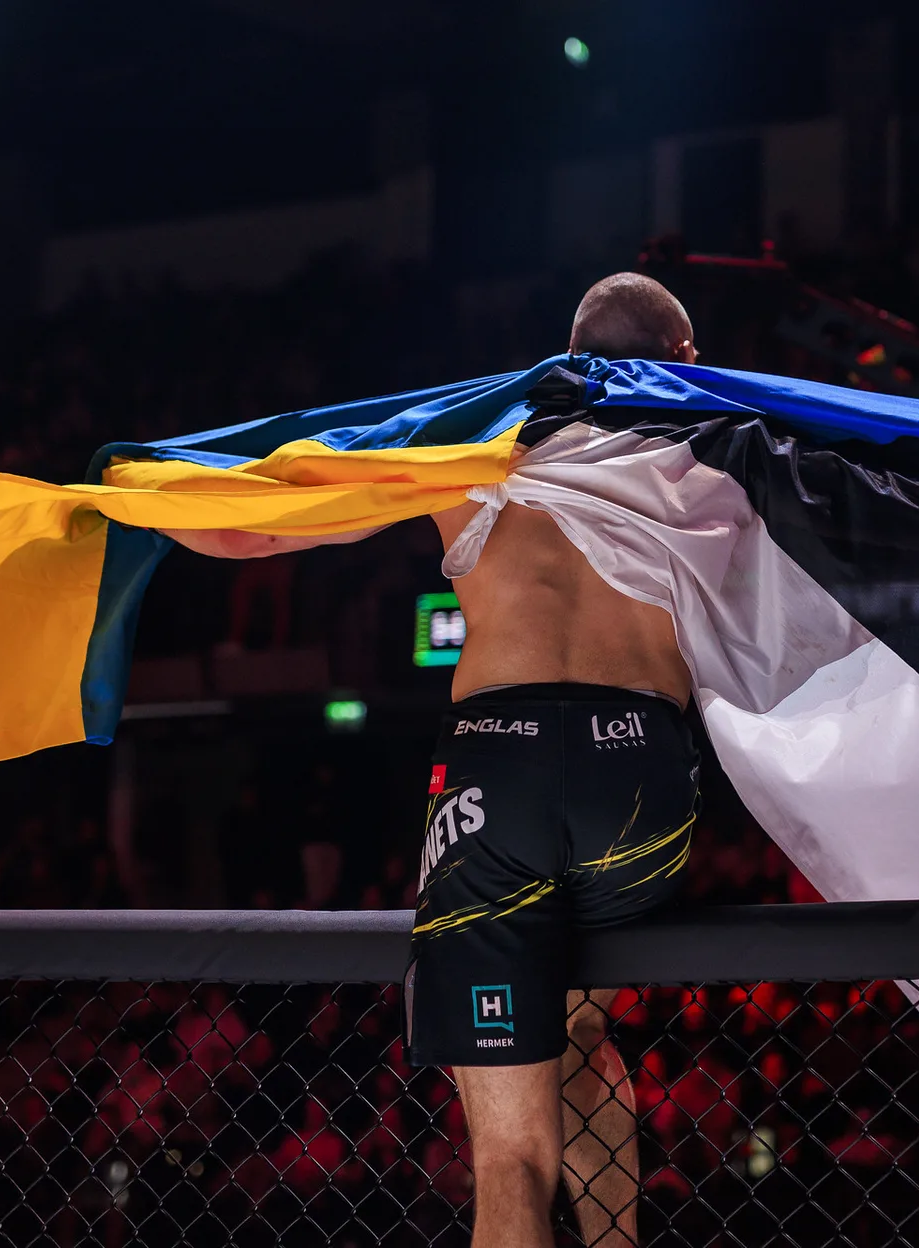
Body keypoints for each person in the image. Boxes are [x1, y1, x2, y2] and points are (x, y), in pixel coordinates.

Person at [162, 272, 702, 1248]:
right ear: (687, 362)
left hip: (499, 774)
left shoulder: (475, 443)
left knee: (510, 1155)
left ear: (569, 355)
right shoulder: (715, 455)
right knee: (582, 1035)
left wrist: (125, 501)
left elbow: (251, 528)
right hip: (639, 775)